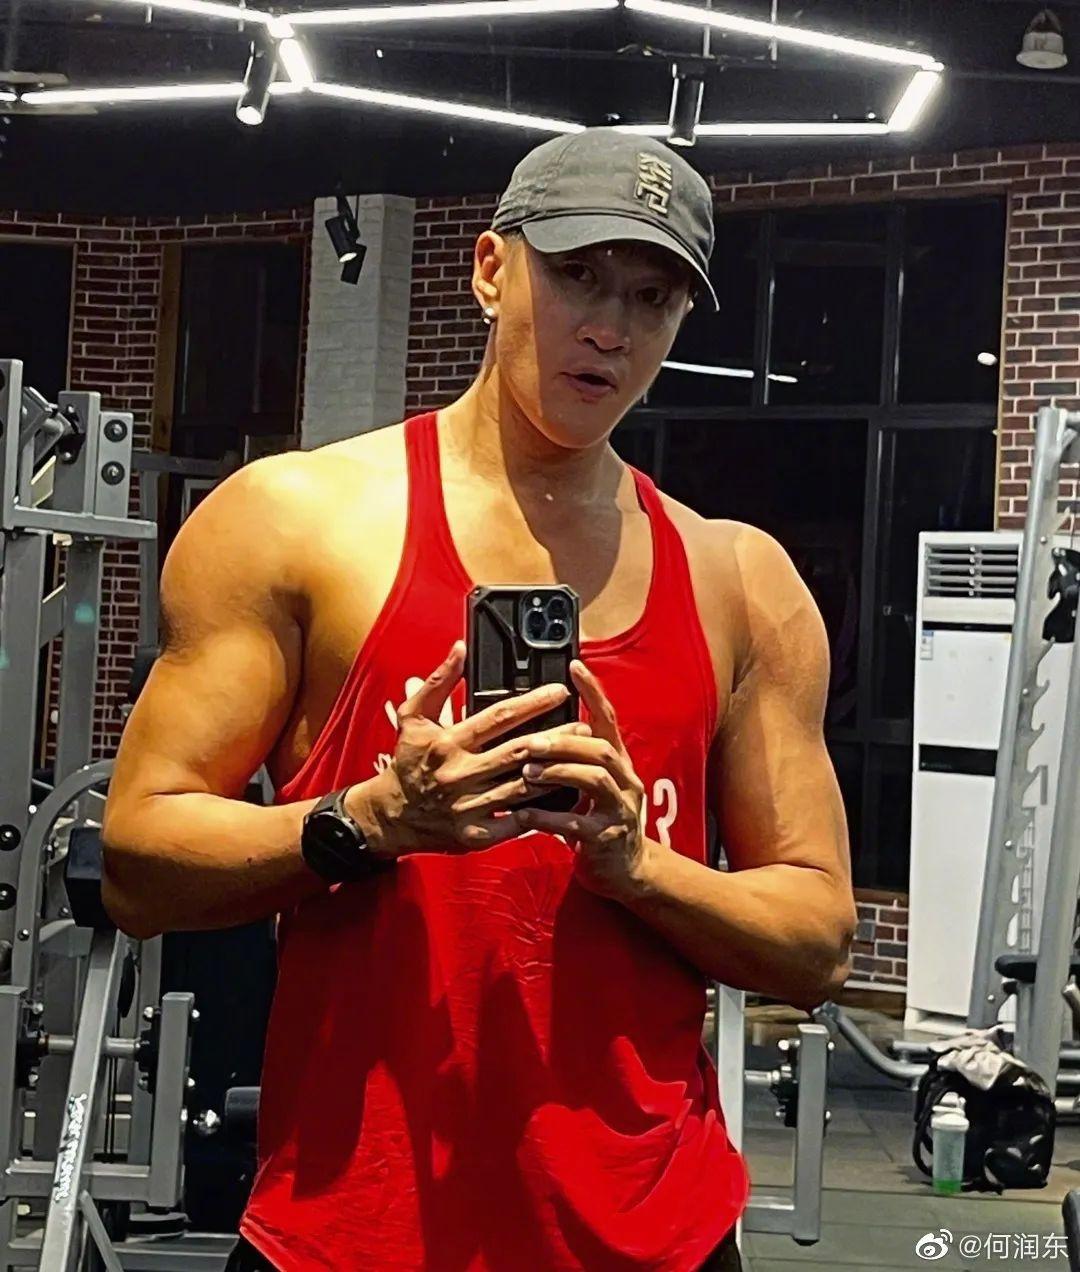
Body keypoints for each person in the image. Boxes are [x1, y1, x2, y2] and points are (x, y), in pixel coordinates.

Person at [101, 128, 857, 1271]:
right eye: (579, 276)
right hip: (354, 1231)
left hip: (652, 1234)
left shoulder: (741, 581)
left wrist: (635, 865)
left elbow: (815, 942)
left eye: (652, 298)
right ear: (493, 268)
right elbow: (137, 865)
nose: (610, 327)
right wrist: (369, 822)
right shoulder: (293, 521)